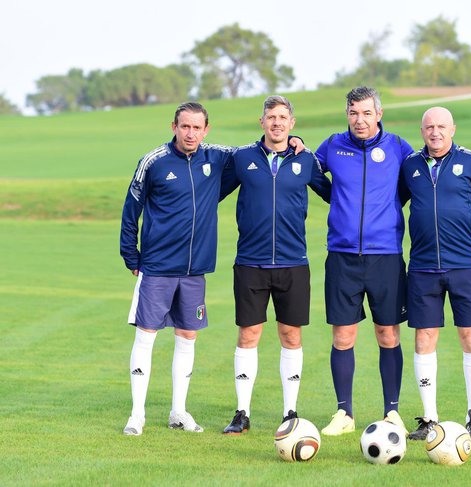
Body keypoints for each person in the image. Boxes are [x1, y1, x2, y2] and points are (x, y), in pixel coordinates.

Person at [120, 102, 304, 436]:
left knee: (187, 338)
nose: (190, 133)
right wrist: (130, 255)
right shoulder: (154, 162)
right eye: (184, 126)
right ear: (173, 126)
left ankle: (179, 411)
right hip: (157, 266)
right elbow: (131, 207)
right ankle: (137, 414)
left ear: (206, 130)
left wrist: (294, 141)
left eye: (197, 127)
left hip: (195, 269)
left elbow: (261, 149)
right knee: (146, 337)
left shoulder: (217, 157)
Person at [220, 95, 331, 435]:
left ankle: (289, 411)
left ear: (292, 124)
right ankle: (242, 412)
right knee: (249, 334)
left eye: (283, 117)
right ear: (262, 122)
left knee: (290, 335)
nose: (277, 122)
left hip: (293, 263)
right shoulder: (242, 159)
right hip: (250, 263)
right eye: (271, 117)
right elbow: (208, 193)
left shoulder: (305, 160)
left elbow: (336, 194)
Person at [399, 107, 471, 443]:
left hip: (465, 267)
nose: (435, 132)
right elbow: (388, 203)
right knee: (424, 339)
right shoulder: (410, 166)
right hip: (422, 268)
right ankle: (429, 419)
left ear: (453, 129)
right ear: (422, 131)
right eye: (429, 127)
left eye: (441, 126)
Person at [314, 87, 414, 436]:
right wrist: (336, 198)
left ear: (379, 114)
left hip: (385, 256)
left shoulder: (399, 147)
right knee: (343, 336)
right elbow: (310, 173)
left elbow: (420, 183)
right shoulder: (332, 145)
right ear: (347, 114)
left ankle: (392, 412)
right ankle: (344, 413)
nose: (360, 120)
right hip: (342, 256)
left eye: (366, 113)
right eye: (354, 113)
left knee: (388, 333)